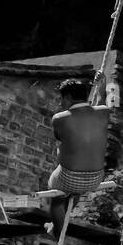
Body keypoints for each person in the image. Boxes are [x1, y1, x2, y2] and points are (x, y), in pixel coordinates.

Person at [47, 78, 111, 234]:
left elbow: (60, 139)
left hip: (69, 178)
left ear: (68, 97)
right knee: (73, 192)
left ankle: (57, 231)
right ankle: (61, 219)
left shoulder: (59, 118)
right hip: (96, 178)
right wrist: (101, 88)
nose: (61, 102)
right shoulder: (104, 112)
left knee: (55, 194)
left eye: (62, 98)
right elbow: (98, 107)